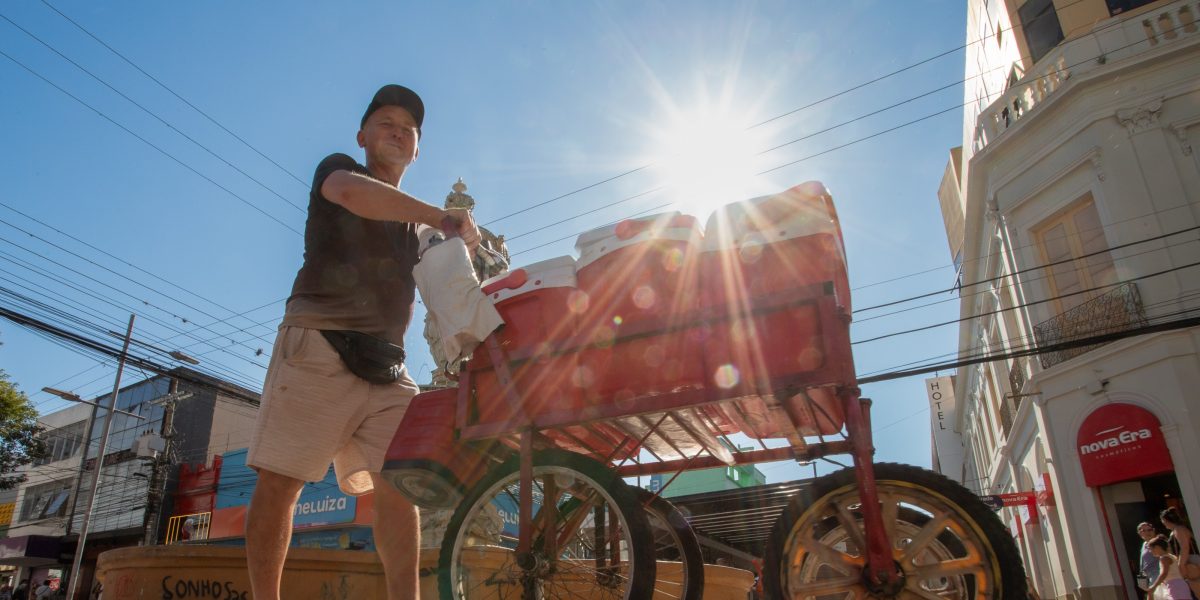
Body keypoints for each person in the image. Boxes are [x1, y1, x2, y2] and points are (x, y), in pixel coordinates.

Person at [244, 84, 481, 600]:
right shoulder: (341, 170)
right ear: (362, 136)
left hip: (390, 368)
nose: (397, 131)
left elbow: (453, 295)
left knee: (400, 488)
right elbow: (355, 195)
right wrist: (442, 218)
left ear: (417, 149)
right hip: (320, 343)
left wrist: (469, 257)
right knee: (283, 482)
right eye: (386, 122)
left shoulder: (417, 232)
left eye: (408, 128)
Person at [1160, 507, 1200, 597]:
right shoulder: (1177, 529)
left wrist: (1181, 564)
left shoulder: (1178, 529)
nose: (1163, 524)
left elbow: (1185, 547)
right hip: (1188, 560)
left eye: (1162, 521)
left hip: (1190, 560)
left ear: (1165, 520)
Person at [1147, 535, 1192, 599]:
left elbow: (1164, 573)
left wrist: (1154, 586)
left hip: (1175, 585)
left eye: (1150, 549)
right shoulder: (1171, 556)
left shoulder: (1164, 558)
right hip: (1180, 583)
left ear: (1157, 547)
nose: (1150, 551)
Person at [1139, 521, 1162, 592]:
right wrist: (1142, 577)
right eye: (1143, 530)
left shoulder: (1159, 541)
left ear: (1153, 530)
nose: (1147, 532)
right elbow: (1143, 562)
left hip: (1159, 575)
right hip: (1150, 578)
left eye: (1149, 530)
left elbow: (1167, 556)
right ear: (1140, 533)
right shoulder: (1144, 544)